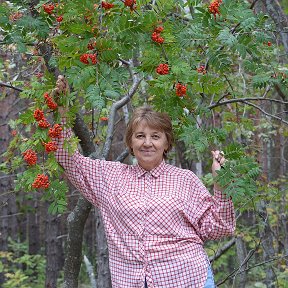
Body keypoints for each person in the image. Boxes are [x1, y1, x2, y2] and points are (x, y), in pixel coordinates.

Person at [55, 105, 235, 288]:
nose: (147, 143)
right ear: (130, 142)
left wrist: (221, 185)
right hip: (130, 281)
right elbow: (68, 159)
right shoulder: (109, 177)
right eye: (140, 136)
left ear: (166, 143)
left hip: (187, 279)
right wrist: (63, 111)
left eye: (155, 136)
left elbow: (220, 228)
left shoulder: (185, 180)